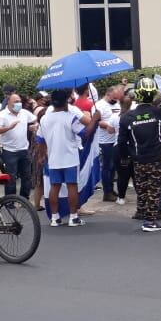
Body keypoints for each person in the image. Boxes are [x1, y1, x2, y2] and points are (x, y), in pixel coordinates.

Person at [117, 77, 161, 232]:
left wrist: (124, 158)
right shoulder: (158, 111)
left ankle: (142, 212)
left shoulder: (127, 117)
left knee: (142, 187)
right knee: (154, 189)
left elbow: (121, 141)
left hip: (138, 159)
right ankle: (150, 221)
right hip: (157, 158)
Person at [37, 88, 97, 228]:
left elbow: (40, 140)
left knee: (54, 187)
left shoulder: (44, 118)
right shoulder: (70, 117)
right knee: (72, 186)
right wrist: (94, 119)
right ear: (66, 102)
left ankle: (55, 218)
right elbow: (85, 133)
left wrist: (42, 156)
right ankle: (73, 217)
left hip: (53, 158)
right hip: (70, 158)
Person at [0, 92, 37, 199]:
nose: (19, 104)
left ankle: (24, 200)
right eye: (16, 102)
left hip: (24, 149)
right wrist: (8, 128)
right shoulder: (2, 115)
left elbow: (36, 119)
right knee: (11, 178)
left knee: (26, 176)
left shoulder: (24, 113)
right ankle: (10, 201)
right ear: (9, 102)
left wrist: (33, 126)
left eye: (20, 101)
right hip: (10, 151)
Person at [95, 85, 124, 201]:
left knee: (114, 167)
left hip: (115, 139)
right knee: (107, 166)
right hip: (105, 141)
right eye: (114, 97)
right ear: (108, 94)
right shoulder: (99, 105)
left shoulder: (117, 104)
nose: (116, 100)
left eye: (117, 98)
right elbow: (97, 122)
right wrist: (111, 125)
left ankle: (111, 189)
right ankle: (107, 191)